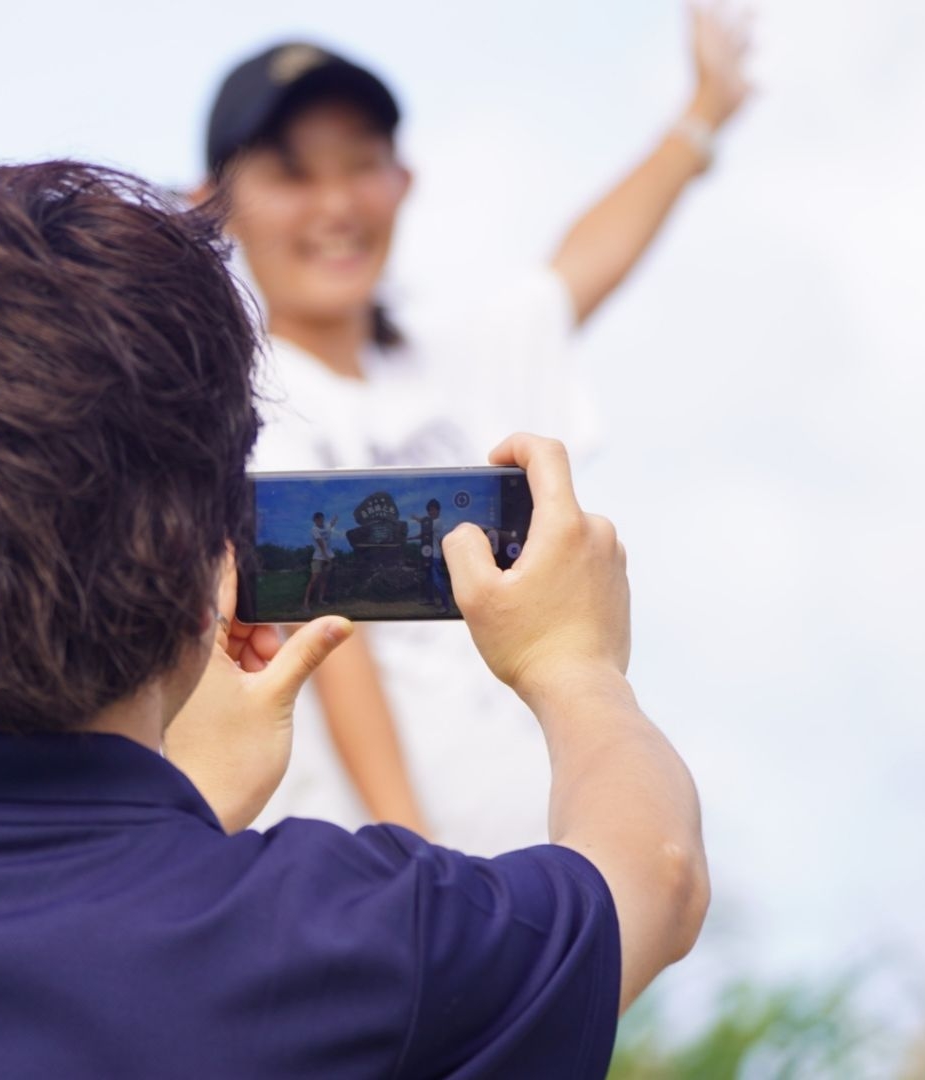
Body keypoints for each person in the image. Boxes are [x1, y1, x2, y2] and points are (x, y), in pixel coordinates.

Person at [0, 162, 706, 1077]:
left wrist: (181, 821)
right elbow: (649, 872)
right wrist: (575, 664)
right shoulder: (348, 939)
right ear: (205, 545)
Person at [198, 10, 751, 847]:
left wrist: (704, 110)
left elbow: (578, 268)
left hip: (531, 884)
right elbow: (334, 644)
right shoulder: (237, 408)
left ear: (404, 179)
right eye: (293, 175)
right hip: (388, 899)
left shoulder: (457, 362)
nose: (338, 204)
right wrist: (413, 863)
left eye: (363, 166)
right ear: (212, 202)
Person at [409, 498, 450, 612]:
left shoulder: (437, 522)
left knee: (437, 580)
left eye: (433, 510)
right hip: (427, 555)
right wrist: (410, 538)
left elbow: (425, 523)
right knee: (429, 579)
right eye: (429, 510)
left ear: (438, 511)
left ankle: (446, 605)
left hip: (435, 555)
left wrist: (416, 518)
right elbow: (423, 534)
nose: (431, 512)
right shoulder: (429, 524)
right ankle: (430, 599)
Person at [303, 509, 339, 613]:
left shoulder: (326, 527)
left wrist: (334, 520)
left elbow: (331, 525)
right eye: (318, 520)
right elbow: (321, 544)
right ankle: (305, 603)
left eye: (321, 519)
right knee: (314, 580)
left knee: (324, 579)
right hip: (318, 558)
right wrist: (326, 556)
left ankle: (320, 600)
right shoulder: (314, 530)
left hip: (328, 557)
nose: (320, 521)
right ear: (314, 520)